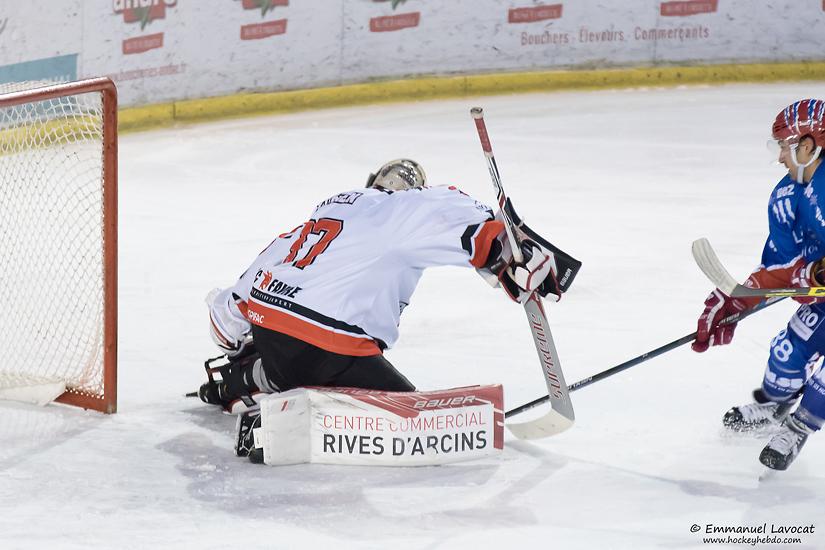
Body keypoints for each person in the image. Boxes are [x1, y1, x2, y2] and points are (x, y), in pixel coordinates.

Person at [200, 158, 561, 461]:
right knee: (421, 425)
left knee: (299, 360)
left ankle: (251, 378)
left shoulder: (320, 220)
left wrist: (237, 342)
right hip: (331, 347)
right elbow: (447, 207)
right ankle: (276, 427)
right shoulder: (399, 207)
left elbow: (232, 308)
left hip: (272, 329)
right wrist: (506, 250)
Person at [692, 99, 825, 471]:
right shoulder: (785, 198)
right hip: (822, 301)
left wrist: (810, 276)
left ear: (809, 145)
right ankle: (776, 405)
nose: (781, 156)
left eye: (786, 145)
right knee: (786, 356)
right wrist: (735, 301)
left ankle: (800, 427)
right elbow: (780, 266)